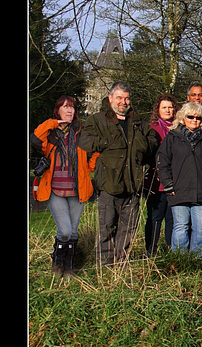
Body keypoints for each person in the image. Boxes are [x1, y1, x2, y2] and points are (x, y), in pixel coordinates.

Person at [79, 81, 158, 267]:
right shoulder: (98, 120)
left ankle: (122, 264)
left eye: (127, 98)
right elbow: (85, 141)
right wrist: (107, 142)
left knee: (128, 228)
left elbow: (153, 139)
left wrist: (144, 147)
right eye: (119, 97)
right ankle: (104, 266)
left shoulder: (137, 121)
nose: (123, 102)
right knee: (106, 227)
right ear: (110, 98)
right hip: (109, 184)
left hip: (132, 184)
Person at [31, 96, 100, 277]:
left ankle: (69, 267)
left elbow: (95, 151)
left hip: (78, 189)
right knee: (65, 231)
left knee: (73, 232)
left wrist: (89, 167)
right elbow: (35, 138)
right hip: (55, 189)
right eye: (65, 107)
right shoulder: (51, 134)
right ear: (58, 111)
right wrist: (53, 123)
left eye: (72, 108)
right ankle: (57, 262)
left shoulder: (81, 132)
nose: (69, 111)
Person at [156, 102, 202, 259]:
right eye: (190, 117)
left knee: (201, 227)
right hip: (179, 189)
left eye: (198, 117)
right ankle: (180, 259)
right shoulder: (173, 137)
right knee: (180, 226)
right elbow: (162, 161)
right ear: (183, 118)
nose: (194, 120)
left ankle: (197, 259)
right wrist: (168, 183)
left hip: (201, 189)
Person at [143, 94, 179, 256]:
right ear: (158, 110)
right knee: (155, 217)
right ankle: (151, 250)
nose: (167, 110)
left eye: (170, 107)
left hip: (176, 181)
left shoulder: (179, 127)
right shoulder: (151, 128)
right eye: (164, 107)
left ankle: (171, 250)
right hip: (155, 182)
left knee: (172, 218)